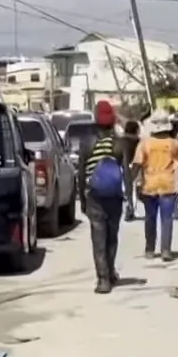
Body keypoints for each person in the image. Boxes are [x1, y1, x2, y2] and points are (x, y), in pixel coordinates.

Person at [133, 110, 178, 262]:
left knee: (150, 218)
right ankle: (166, 250)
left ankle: (150, 249)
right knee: (166, 219)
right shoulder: (175, 144)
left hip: (149, 185)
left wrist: (133, 182)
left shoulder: (144, 143)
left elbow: (137, 164)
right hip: (168, 185)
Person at [81, 100, 123, 294]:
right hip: (114, 196)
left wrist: (82, 199)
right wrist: (129, 197)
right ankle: (110, 271)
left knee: (99, 237)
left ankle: (103, 279)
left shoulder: (87, 141)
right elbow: (127, 173)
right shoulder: (118, 142)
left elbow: (81, 173)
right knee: (112, 237)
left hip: (94, 196)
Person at [118, 120, 142, 222]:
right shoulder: (139, 141)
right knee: (135, 189)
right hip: (136, 165)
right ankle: (131, 208)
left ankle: (129, 208)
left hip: (123, 165)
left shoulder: (121, 140)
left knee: (127, 190)